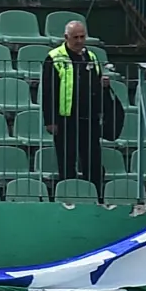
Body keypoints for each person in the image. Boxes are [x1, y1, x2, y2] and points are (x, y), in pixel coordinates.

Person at [43, 20, 118, 193]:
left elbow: (95, 82)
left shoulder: (90, 56)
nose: (79, 41)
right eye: (75, 37)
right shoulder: (54, 57)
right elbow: (48, 91)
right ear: (66, 37)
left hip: (89, 118)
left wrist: (103, 85)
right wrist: (50, 120)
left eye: (82, 36)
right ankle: (68, 195)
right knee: (67, 160)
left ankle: (95, 194)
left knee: (93, 160)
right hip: (65, 119)